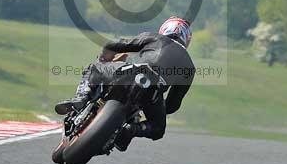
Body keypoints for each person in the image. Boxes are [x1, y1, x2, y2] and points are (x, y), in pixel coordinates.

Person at [54, 16, 195, 151]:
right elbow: (172, 104)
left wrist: (104, 59)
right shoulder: (189, 67)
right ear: (186, 39)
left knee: (94, 68)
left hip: (129, 73)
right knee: (158, 129)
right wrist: (156, 108)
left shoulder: (152, 37)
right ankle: (132, 129)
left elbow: (115, 44)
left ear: (164, 29)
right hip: (153, 91)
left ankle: (83, 96)